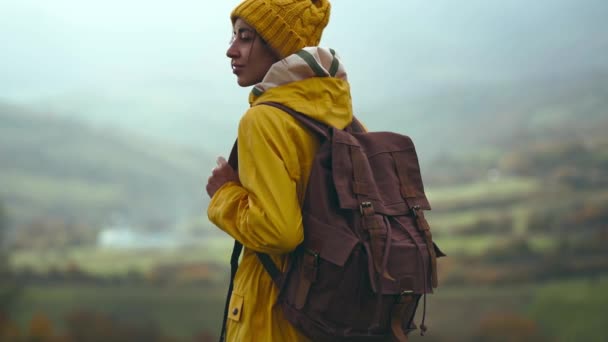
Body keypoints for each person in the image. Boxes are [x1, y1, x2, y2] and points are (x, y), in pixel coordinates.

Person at [206, 0, 354, 340]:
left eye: (245, 37)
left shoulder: (264, 120)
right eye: (233, 36)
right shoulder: (336, 114)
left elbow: (279, 233)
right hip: (322, 312)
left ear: (279, 46)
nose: (231, 50)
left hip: (272, 314)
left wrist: (225, 194)